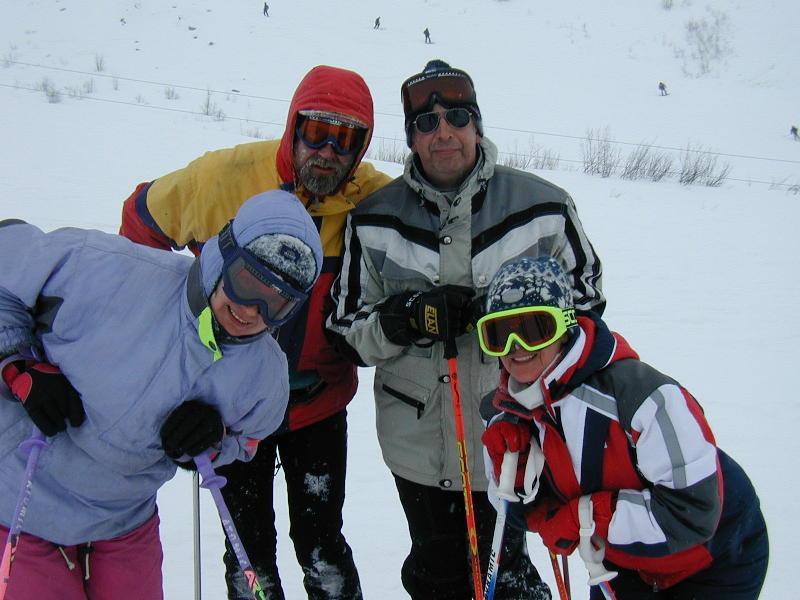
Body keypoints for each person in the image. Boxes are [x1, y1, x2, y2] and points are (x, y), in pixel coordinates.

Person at [327, 59, 605, 600]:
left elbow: (587, 307)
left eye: (457, 117)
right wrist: (406, 317)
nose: (444, 134)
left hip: (518, 432)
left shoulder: (544, 207)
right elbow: (346, 331)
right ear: (411, 137)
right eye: (426, 123)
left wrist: (522, 318)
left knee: (508, 574)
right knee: (438, 573)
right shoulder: (374, 218)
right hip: (418, 446)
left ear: (477, 125)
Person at [119, 65, 391, 600]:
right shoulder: (223, 179)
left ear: (361, 147)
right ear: (293, 126)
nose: (328, 151)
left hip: (318, 403)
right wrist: (177, 356)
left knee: (322, 546)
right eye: (317, 131)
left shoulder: (374, 200)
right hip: (230, 406)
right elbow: (140, 225)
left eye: (346, 139)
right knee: (248, 553)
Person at [0, 190, 323, 600]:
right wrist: (17, 361)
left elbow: (246, 443)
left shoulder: (264, 377)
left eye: (277, 303)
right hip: (20, 498)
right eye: (246, 283)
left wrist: (214, 440)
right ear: (223, 256)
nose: (251, 310)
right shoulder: (105, 270)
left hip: (124, 520)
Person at [480, 256, 769, 600]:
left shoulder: (643, 398)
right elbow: (529, 517)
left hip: (713, 559)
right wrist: (516, 488)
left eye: (533, 329)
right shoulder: (506, 414)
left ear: (565, 325)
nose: (516, 347)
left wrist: (586, 518)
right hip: (621, 562)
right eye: (498, 335)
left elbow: (693, 514)